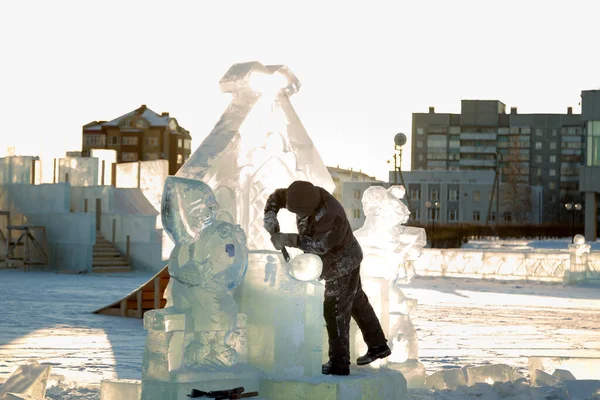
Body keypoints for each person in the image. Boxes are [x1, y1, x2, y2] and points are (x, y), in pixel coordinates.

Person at [263, 180, 391, 376]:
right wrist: (270, 215)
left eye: (302, 214)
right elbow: (276, 197)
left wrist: (287, 239)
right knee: (357, 302)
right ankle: (378, 346)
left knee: (335, 309)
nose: (299, 217)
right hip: (345, 255)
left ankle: (339, 363)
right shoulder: (300, 193)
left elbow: (320, 245)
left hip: (341, 261)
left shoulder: (331, 215)